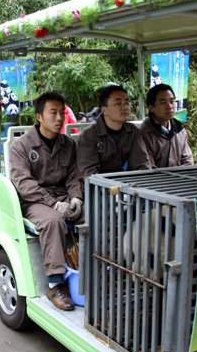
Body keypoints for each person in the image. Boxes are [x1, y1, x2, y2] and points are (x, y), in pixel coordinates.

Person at [9, 92, 83, 311]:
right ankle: (55, 283)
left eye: (62, 112)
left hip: (64, 198)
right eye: (53, 113)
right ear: (39, 116)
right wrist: (53, 204)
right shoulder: (21, 147)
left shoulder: (68, 144)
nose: (59, 118)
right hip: (34, 202)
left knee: (97, 212)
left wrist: (77, 198)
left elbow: (73, 176)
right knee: (53, 221)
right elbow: (24, 183)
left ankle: (97, 270)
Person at [77, 84, 151, 178]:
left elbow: (141, 164)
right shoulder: (89, 135)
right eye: (118, 104)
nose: (125, 107)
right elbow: (88, 172)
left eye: (127, 103)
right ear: (104, 110)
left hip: (125, 185)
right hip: (97, 188)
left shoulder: (133, 132)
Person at [140, 84, 194, 168]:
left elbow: (188, 161)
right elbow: (148, 167)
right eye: (163, 103)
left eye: (172, 101)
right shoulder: (143, 133)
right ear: (151, 108)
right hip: (155, 180)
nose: (169, 106)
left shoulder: (180, 130)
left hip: (180, 179)